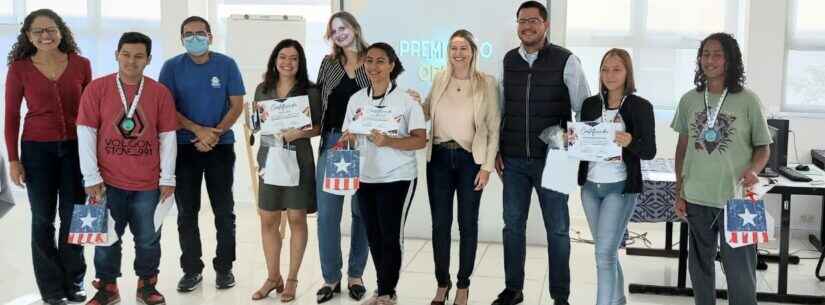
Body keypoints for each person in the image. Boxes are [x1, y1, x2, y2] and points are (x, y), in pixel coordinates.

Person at [493, 2, 590, 305]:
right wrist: (496, 148)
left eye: (534, 21)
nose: (527, 27)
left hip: (555, 159)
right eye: (522, 21)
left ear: (545, 25)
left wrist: (577, 138)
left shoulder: (567, 60)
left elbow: (584, 107)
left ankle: (560, 296)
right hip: (514, 160)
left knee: (558, 230)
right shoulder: (508, 60)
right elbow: (501, 109)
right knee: (512, 227)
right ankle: (513, 289)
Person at [76, 31, 177, 305]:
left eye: (138, 56)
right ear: (116, 55)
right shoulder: (96, 89)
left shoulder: (159, 92)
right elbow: (85, 133)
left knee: (148, 239)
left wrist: (168, 177)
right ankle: (107, 287)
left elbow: (168, 137)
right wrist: (90, 177)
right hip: (106, 181)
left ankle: (147, 285)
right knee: (105, 239)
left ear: (148, 59)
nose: (131, 61)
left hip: (148, 183)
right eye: (126, 54)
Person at [672, 32, 771, 305]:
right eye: (705, 54)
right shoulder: (689, 100)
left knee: (742, 272)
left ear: (730, 60)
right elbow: (682, 149)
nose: (709, 60)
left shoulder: (749, 100)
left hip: (740, 199)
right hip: (697, 196)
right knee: (700, 268)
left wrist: (754, 170)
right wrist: (679, 191)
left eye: (717, 54)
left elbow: (764, 148)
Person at [4, 9, 90, 305]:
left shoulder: (81, 64)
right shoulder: (19, 69)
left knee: (78, 217)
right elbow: (12, 115)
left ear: (61, 31)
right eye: (38, 31)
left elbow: (92, 114)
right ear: (28, 36)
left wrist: (98, 157)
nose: (45, 35)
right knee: (43, 219)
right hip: (36, 151)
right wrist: (13, 160)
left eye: (50, 29)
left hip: (77, 150)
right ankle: (51, 289)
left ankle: (75, 281)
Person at [411, 29, 500, 305]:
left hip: (469, 161)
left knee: (468, 225)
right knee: (440, 225)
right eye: (453, 49)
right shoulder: (440, 78)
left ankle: (463, 285)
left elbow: (494, 127)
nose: (458, 54)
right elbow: (427, 112)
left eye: (463, 48)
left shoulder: (486, 83)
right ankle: (442, 283)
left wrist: (487, 167)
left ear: (473, 51)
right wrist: (414, 103)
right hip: (438, 158)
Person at [158, 16, 245, 292]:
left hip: (220, 146)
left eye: (199, 33)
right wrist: (198, 130)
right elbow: (166, 108)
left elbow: (237, 104)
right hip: (184, 147)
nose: (194, 38)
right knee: (187, 213)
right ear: (181, 38)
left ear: (210, 35)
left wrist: (214, 133)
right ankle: (192, 270)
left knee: (224, 211)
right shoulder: (171, 67)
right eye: (188, 34)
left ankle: (225, 268)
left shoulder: (226, 64)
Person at [339, 42, 426, 305]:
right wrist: (349, 138)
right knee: (373, 235)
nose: (374, 67)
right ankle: (383, 287)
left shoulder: (407, 100)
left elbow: (420, 140)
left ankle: (387, 292)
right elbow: (347, 137)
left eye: (380, 61)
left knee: (390, 235)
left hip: (398, 177)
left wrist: (388, 142)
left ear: (391, 65)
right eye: (369, 61)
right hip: (365, 177)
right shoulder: (356, 100)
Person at [575, 48, 656, 305]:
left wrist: (630, 140)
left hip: (619, 188)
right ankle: (618, 300)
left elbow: (649, 150)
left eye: (617, 69)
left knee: (603, 255)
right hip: (590, 188)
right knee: (606, 253)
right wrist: (573, 140)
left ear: (627, 73)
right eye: (605, 69)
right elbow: (582, 145)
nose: (610, 75)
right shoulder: (590, 104)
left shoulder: (640, 106)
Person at [250, 39, 321, 303]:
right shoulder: (262, 88)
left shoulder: (310, 91)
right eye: (283, 57)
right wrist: (256, 121)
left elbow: (318, 127)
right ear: (275, 59)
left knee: (296, 219)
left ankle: (291, 279)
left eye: (293, 58)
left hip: (298, 160)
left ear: (300, 63)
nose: (287, 63)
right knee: (267, 219)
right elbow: (257, 123)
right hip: (269, 158)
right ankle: (272, 277)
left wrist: (299, 132)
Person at [314, 11, 371, 303]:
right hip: (335, 142)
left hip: (366, 144)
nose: (340, 33)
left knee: (362, 213)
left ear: (355, 28)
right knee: (327, 215)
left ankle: (356, 275)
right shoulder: (328, 64)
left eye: (344, 27)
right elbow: (316, 100)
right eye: (334, 30)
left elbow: (389, 96)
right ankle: (331, 278)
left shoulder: (374, 59)